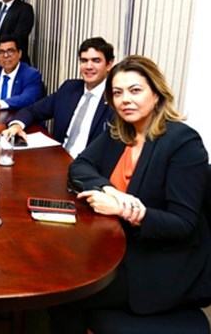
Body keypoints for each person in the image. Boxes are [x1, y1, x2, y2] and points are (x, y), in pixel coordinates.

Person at [49, 56, 211, 333]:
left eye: (135, 90)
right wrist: (110, 191)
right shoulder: (120, 133)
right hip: (116, 245)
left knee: (66, 294)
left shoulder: (183, 143)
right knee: (58, 267)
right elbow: (80, 165)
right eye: (117, 93)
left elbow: (183, 225)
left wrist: (125, 211)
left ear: (157, 94)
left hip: (158, 263)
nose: (125, 100)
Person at [2, 37, 115, 157]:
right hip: (57, 160)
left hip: (88, 169)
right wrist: (17, 125)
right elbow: (32, 110)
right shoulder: (70, 88)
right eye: (84, 61)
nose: (88, 66)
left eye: (96, 61)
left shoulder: (115, 99)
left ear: (109, 65)